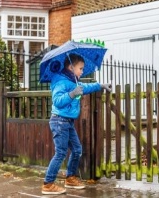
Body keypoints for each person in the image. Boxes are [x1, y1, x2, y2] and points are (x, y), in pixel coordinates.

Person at [41, 53, 111, 195]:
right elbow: (57, 101)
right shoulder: (60, 81)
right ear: (71, 67)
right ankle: (48, 184)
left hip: (67, 122)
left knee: (77, 149)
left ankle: (70, 178)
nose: (82, 71)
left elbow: (86, 87)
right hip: (59, 121)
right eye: (80, 68)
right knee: (60, 152)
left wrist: (101, 85)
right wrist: (72, 94)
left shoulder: (73, 81)